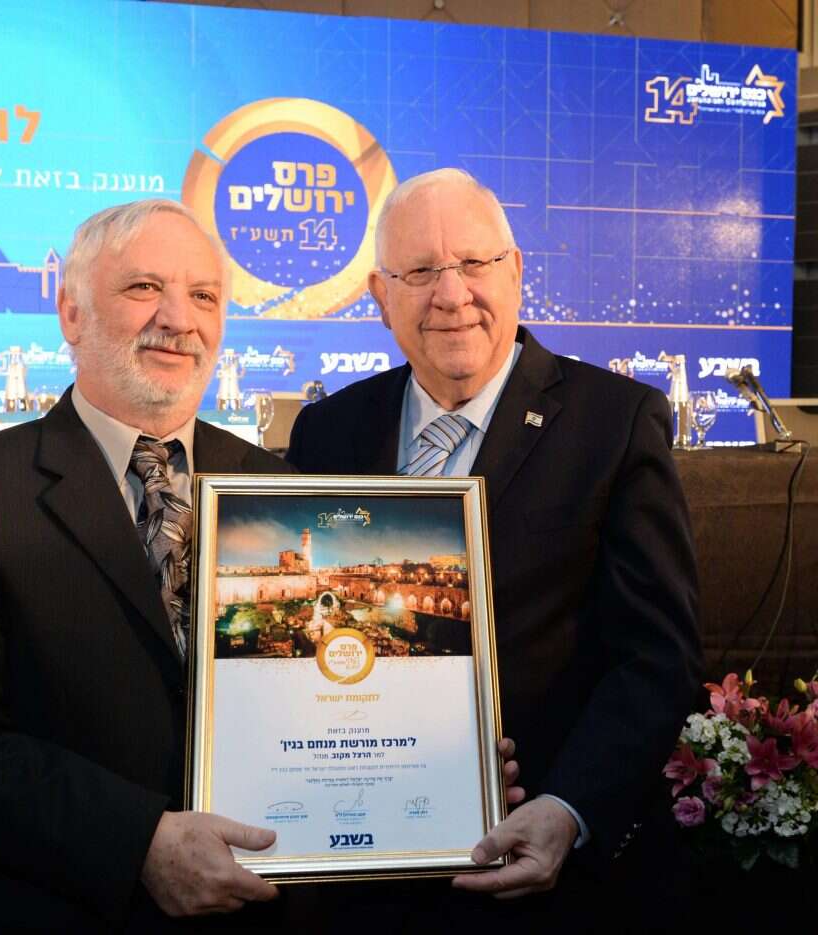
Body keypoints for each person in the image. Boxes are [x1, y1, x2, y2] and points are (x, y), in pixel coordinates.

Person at [286, 169, 701, 921]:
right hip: (348, 868)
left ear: (515, 272)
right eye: (420, 272)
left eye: (475, 263)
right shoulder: (327, 431)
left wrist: (569, 807)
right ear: (380, 297)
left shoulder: (615, 423)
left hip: (531, 871)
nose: (452, 295)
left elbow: (657, 656)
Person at [0, 200, 298, 931]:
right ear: (71, 314)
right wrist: (137, 843)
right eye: (144, 288)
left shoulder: (282, 489)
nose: (179, 318)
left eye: (204, 295)